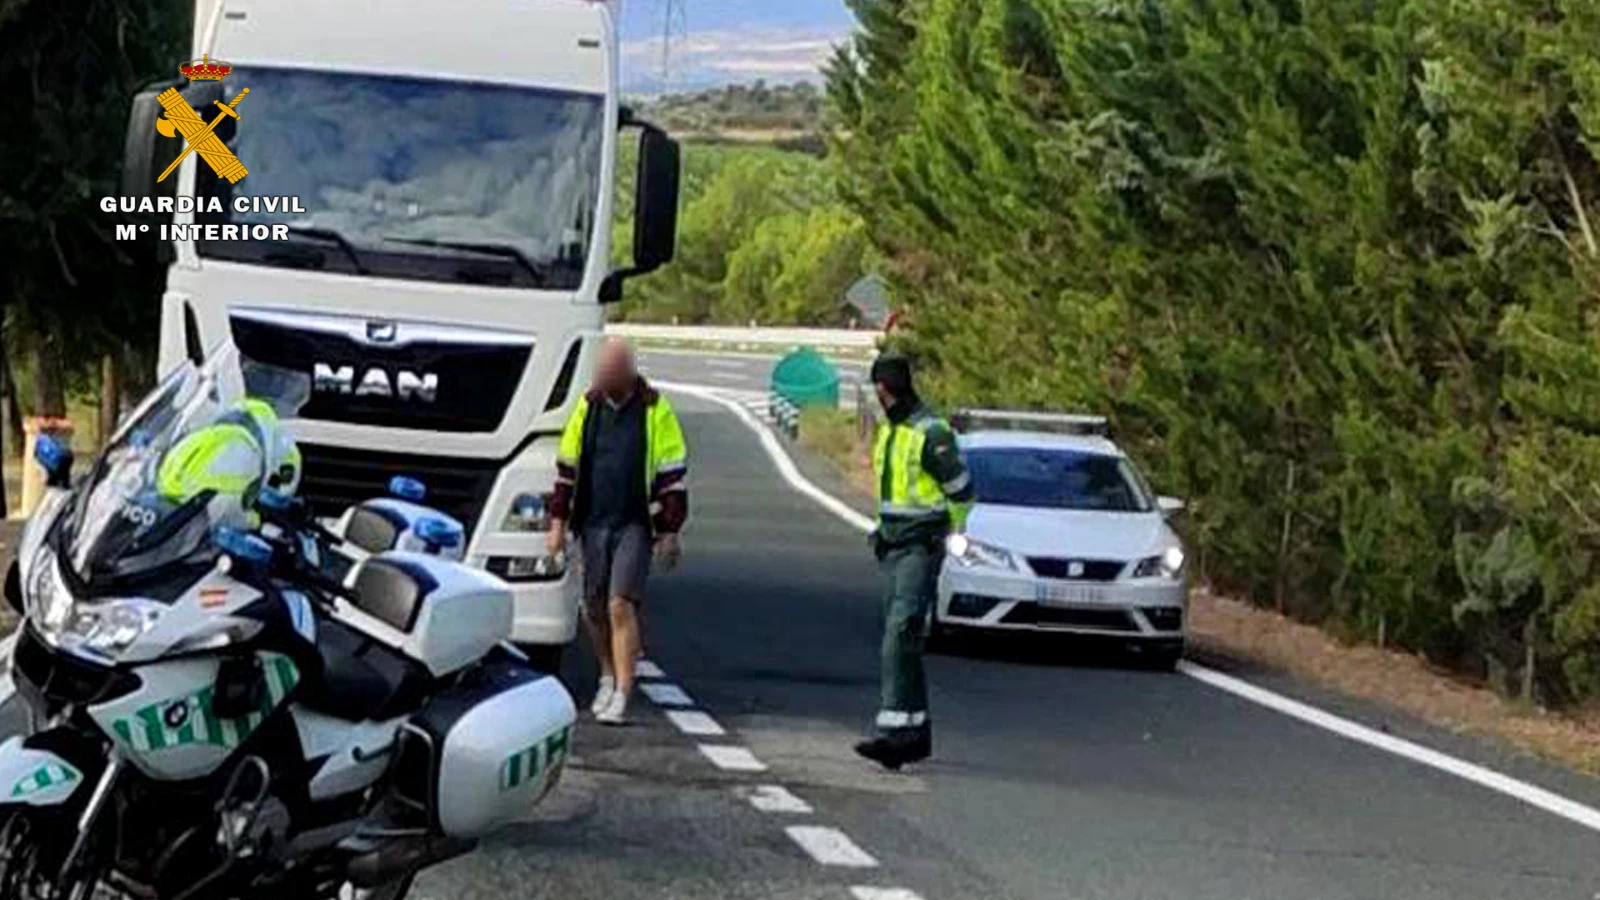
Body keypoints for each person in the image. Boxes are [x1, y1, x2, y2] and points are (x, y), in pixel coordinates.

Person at [548, 339, 688, 725]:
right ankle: (607, 674)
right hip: (592, 521)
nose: (602, 377)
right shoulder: (587, 407)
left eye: (609, 370)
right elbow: (567, 468)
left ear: (626, 370)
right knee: (593, 607)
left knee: (619, 603)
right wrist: (557, 523)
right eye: (600, 370)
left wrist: (669, 531)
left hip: (635, 523)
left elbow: (672, 474)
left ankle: (624, 691)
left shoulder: (654, 409)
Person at [856, 353, 974, 770]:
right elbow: (892, 494)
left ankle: (892, 733)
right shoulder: (892, 432)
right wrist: (879, 528)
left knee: (899, 633)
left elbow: (961, 490)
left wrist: (949, 536)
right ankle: (914, 732)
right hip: (893, 544)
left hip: (920, 544)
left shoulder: (929, 433)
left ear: (882, 390)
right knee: (904, 640)